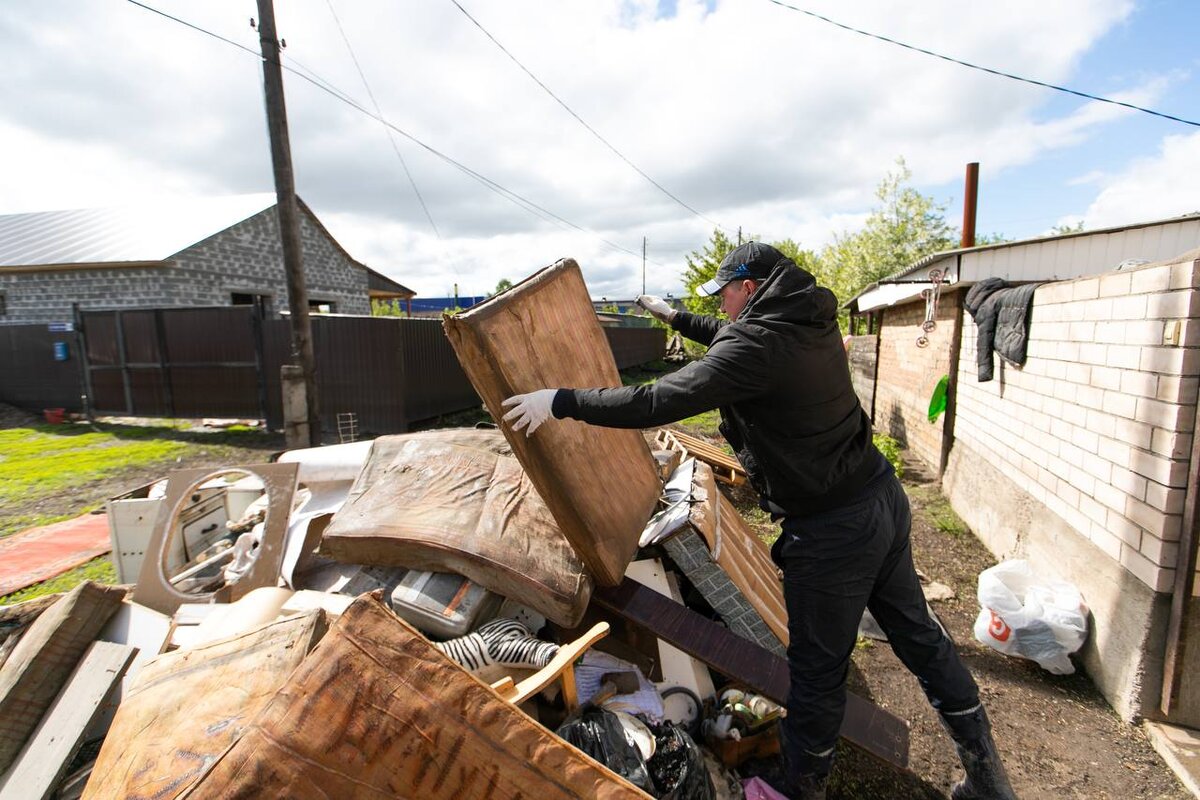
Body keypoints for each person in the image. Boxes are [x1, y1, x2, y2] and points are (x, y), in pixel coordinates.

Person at [501, 242, 1016, 800]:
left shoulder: (756, 344)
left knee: (817, 673)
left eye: (723, 293)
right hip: (879, 498)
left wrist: (561, 401)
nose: (719, 304)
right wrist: (674, 317)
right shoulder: (805, 315)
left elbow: (657, 400)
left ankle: (798, 787)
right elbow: (737, 338)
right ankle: (987, 774)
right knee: (919, 635)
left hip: (832, 529)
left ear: (747, 289)